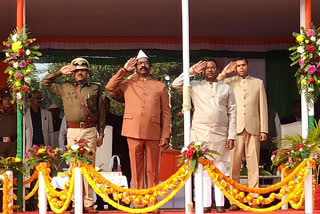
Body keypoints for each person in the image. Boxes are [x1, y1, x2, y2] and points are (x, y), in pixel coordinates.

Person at [105, 50, 171, 207]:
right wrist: (124, 70)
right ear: (135, 67)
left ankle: (152, 201)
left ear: (151, 68)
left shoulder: (160, 86)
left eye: (146, 63)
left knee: (153, 170)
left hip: (154, 131)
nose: (143, 66)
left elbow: (166, 114)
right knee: (136, 169)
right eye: (140, 64)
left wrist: (165, 134)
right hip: (132, 130)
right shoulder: (128, 84)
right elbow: (109, 87)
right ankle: (139, 201)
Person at [41, 57, 105, 213]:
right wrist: (59, 73)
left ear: (87, 72)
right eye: (76, 70)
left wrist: (101, 132)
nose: (80, 73)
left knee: (89, 166)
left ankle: (89, 203)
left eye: (83, 70)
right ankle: (76, 202)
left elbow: (102, 111)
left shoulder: (95, 88)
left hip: (90, 130)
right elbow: (44, 83)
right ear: (72, 73)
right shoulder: (65, 87)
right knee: (74, 166)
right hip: (73, 130)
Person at [172, 59, 236, 213]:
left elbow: (233, 112)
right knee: (204, 169)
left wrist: (231, 135)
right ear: (203, 71)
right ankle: (206, 203)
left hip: (221, 132)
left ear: (217, 70)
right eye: (207, 68)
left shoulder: (226, 88)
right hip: (201, 132)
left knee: (220, 168)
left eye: (213, 67)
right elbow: (175, 84)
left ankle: (220, 204)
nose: (210, 70)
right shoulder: (194, 86)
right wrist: (191, 71)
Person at [218, 58, 268, 210]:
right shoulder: (228, 82)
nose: (240, 68)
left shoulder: (258, 83)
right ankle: (235, 201)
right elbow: (216, 85)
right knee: (234, 166)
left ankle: (254, 198)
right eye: (238, 66)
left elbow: (263, 106)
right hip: (235, 130)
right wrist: (224, 73)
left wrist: (263, 129)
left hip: (253, 128)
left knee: (253, 166)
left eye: (243, 65)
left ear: (247, 66)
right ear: (235, 68)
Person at [0, 88, 17, 157]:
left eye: (9, 99)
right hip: (1, 145)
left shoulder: (17, 115)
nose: (7, 101)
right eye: (5, 99)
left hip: (13, 146)